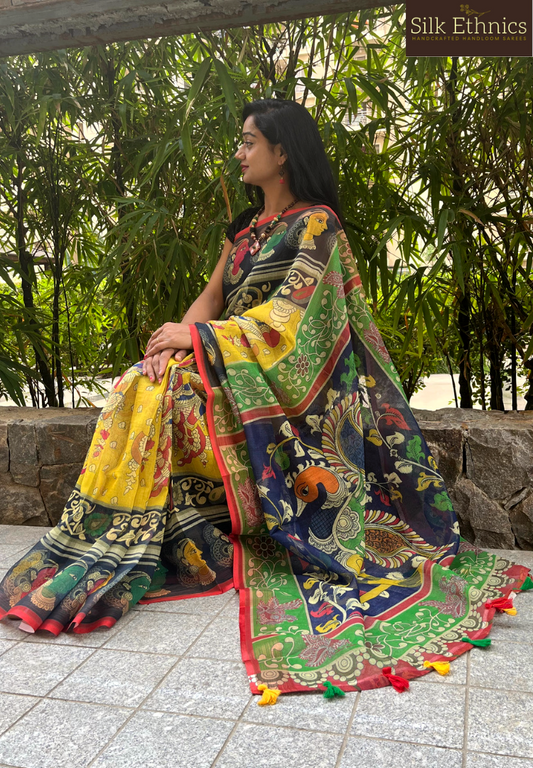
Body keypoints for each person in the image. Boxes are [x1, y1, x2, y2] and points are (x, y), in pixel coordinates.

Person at [0, 99, 530, 696]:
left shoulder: (318, 226)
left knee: (169, 394)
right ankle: (112, 541)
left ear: (282, 153)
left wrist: (195, 341)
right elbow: (209, 300)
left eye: (248, 141)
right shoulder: (244, 234)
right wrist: (173, 343)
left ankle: (149, 533)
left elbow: (294, 323)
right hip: (229, 367)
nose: (239, 152)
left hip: (285, 392)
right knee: (140, 383)